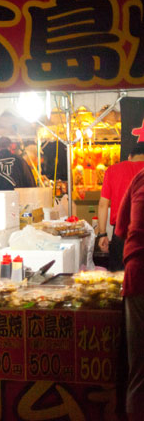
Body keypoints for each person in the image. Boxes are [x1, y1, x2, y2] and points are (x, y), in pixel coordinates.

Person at [115, 167, 144, 420]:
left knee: (139, 366)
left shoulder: (140, 178)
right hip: (138, 275)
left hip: (139, 275)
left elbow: (121, 229)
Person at [97, 144, 144, 271]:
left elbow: (103, 204)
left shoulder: (112, 170)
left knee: (118, 278)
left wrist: (102, 234)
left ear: (130, 156)